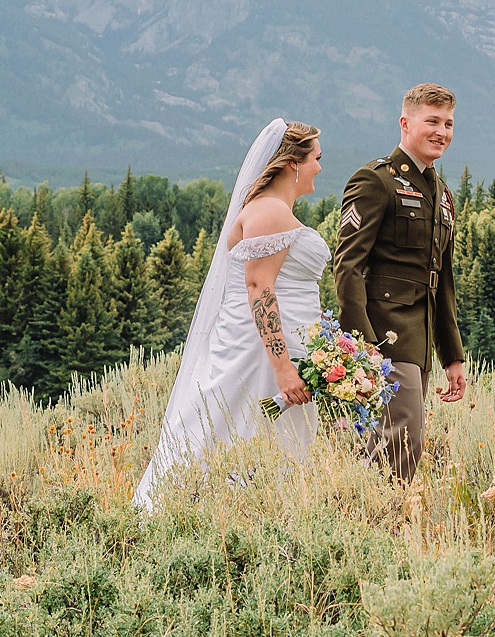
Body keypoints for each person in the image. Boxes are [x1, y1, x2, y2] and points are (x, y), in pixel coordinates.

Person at [133, 118, 328, 508]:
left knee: (255, 434)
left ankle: (254, 518)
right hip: (261, 356)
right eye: (316, 158)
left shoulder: (269, 209)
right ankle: (195, 512)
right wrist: (283, 366)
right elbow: (259, 288)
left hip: (285, 346)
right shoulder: (269, 212)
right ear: (292, 163)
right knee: (232, 426)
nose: (319, 168)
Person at [334, 83, 466, 481]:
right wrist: (362, 345)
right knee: (401, 439)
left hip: (421, 338)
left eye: (448, 123)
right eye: (432, 121)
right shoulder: (376, 181)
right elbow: (348, 266)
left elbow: (442, 281)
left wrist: (452, 355)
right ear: (406, 123)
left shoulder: (442, 195)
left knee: (398, 440)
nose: (441, 131)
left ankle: (363, 521)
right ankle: (373, 523)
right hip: (385, 332)